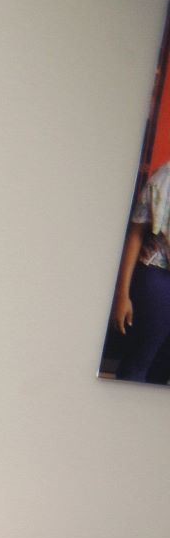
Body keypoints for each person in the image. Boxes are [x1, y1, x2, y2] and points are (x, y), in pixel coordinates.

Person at [110, 161, 170, 382]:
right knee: (139, 363)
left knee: (163, 370)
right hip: (158, 277)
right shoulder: (166, 176)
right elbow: (135, 234)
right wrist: (122, 295)